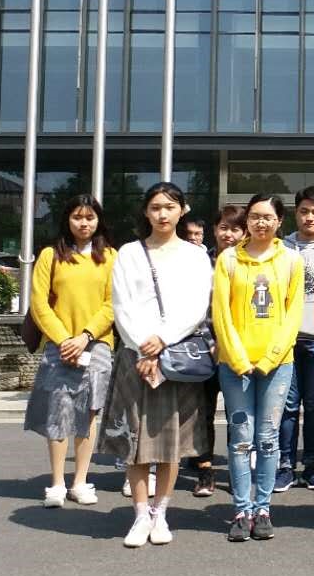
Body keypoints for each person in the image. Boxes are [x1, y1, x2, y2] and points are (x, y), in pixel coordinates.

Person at [102, 182, 214, 548]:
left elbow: (197, 306)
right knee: (135, 440)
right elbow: (121, 304)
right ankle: (139, 514)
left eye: (169, 206)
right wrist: (143, 348)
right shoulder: (129, 253)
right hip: (136, 356)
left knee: (170, 442)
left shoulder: (196, 256)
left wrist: (163, 340)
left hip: (175, 357)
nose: (162, 214)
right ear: (146, 212)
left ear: (182, 210)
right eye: (155, 207)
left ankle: (161, 512)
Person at [212, 194, 304, 542]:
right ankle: (241, 510)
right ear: (246, 221)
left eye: (267, 217)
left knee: (267, 439)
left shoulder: (292, 260)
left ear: (280, 221)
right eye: (254, 216)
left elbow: (293, 314)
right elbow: (221, 313)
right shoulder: (228, 259)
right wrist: (238, 359)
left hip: (277, 366)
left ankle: (263, 508)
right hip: (234, 366)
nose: (260, 222)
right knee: (240, 440)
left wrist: (269, 358)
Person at [23, 193, 116, 508]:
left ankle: (80, 481)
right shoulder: (50, 255)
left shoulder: (110, 256)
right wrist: (65, 339)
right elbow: (39, 303)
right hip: (59, 345)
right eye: (77, 217)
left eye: (90, 217)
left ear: (98, 220)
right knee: (58, 409)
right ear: (67, 220)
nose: (84, 223)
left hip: (97, 344)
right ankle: (57, 482)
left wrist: (86, 336)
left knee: (88, 413)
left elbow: (112, 303)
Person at [279, 187, 314, 494]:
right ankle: (285, 466)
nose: (309, 217)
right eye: (304, 211)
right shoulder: (281, 247)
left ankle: (311, 467)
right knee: (288, 406)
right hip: (286, 339)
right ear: (295, 213)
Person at [190, 204, 247, 498]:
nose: (229, 234)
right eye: (223, 228)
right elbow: (194, 308)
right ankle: (205, 470)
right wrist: (210, 343)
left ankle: (238, 471)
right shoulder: (200, 264)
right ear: (214, 230)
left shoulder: (250, 263)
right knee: (204, 413)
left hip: (240, 351)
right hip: (206, 349)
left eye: (235, 229)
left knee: (239, 415)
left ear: (244, 232)